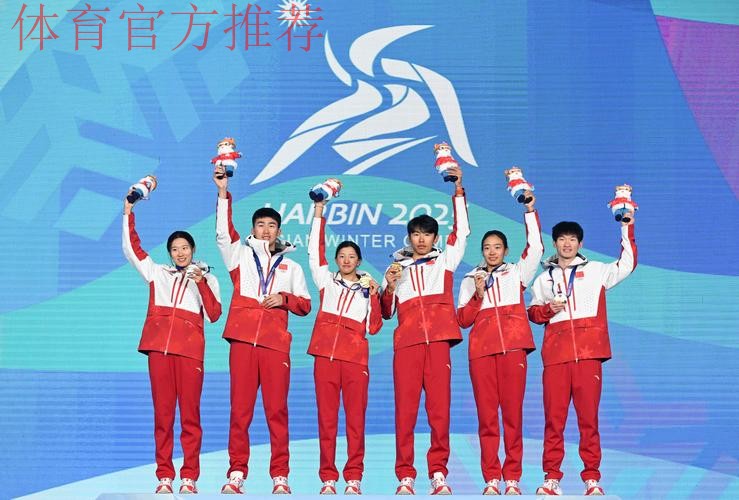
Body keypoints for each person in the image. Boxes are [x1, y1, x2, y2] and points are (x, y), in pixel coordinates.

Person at [214, 167, 312, 495]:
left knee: (277, 411)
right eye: (260, 225)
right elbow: (223, 233)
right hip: (243, 341)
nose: (266, 230)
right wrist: (223, 193)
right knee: (240, 411)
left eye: (272, 225)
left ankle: (280, 475)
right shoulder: (239, 256)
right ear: (253, 229)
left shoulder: (291, 266)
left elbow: (305, 305)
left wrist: (284, 298)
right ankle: (236, 472)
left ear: (279, 230)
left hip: (275, 346)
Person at [527, 213, 637, 496]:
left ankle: (592, 478)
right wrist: (548, 310)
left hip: (588, 356)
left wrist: (626, 227)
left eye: (572, 239)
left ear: (580, 243)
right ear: (554, 243)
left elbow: (627, 264)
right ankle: (552, 478)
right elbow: (533, 313)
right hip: (556, 358)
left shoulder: (597, 271)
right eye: (562, 239)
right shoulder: (543, 279)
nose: (567, 244)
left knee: (589, 421)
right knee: (554, 421)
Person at [122, 195, 222, 495]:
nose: (180, 253)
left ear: (193, 250)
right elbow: (132, 249)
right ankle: (165, 476)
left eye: (185, 248)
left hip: (190, 354)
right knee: (163, 417)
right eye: (175, 249)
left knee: (190, 417)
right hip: (159, 353)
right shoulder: (158, 274)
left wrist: (200, 281)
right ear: (169, 253)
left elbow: (214, 315)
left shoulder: (207, 279)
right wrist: (128, 211)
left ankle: (189, 476)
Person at [380, 166, 469, 495]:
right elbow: (386, 313)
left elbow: (462, 233)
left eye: (427, 234)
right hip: (407, 346)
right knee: (405, 412)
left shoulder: (445, 261)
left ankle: (438, 473)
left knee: (439, 411)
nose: (421, 239)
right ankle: (405, 475)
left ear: (434, 238)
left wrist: (458, 190)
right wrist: (389, 287)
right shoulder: (396, 268)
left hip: (438, 344)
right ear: (409, 237)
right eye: (416, 234)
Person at [456, 194, 543, 495]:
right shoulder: (470, 278)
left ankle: (513, 477)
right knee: (487, 418)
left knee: (512, 416)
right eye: (486, 248)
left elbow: (537, 248)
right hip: (481, 354)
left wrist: (529, 210)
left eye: (497, 247)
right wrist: (478, 295)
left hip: (513, 351)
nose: (491, 252)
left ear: (506, 250)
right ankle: (492, 477)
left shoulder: (517, 273)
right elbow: (463, 320)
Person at [307, 198, 383, 495]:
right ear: (336, 260)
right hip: (325, 358)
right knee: (326, 421)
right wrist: (318, 211)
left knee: (355, 421)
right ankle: (328, 477)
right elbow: (314, 250)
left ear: (359, 261)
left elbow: (374, 328)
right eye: (342, 256)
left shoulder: (368, 289)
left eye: (352, 256)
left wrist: (374, 295)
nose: (347, 260)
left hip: (355, 362)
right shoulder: (326, 281)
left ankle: (353, 477)